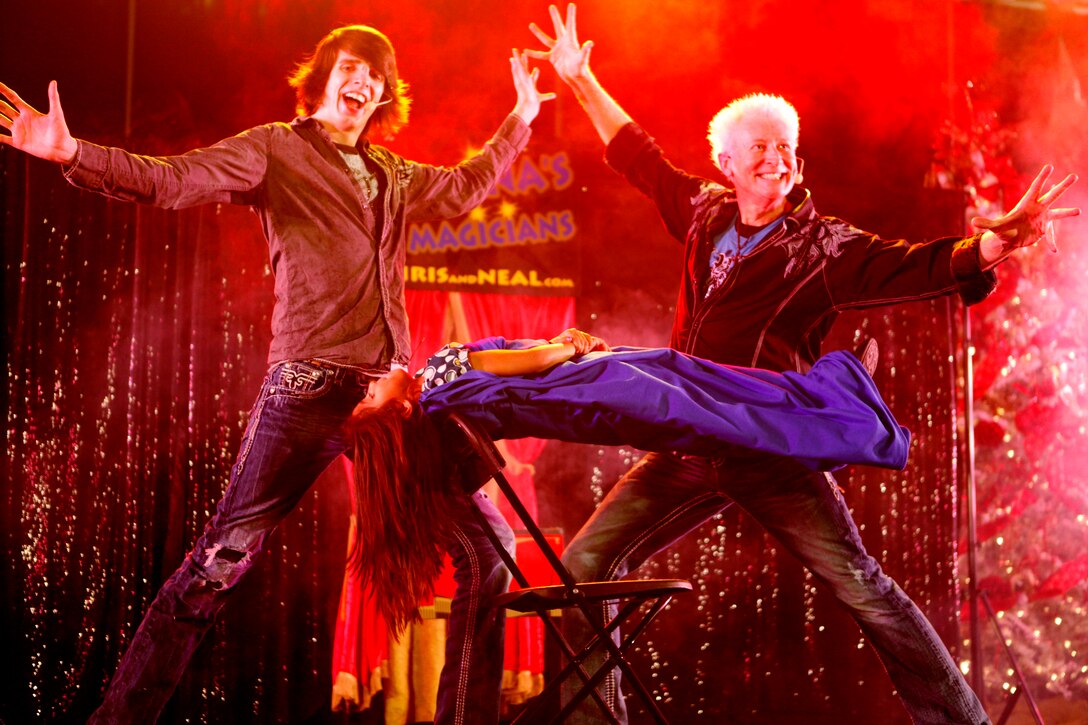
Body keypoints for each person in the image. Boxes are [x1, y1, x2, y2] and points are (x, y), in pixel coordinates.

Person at [525, 4, 1079, 723]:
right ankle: (599, 719)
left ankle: (961, 719)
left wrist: (993, 245)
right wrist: (579, 80)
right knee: (584, 565)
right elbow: (637, 154)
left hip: (768, 447)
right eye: (758, 148)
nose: (776, 158)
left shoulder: (825, 247)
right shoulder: (702, 214)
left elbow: (913, 266)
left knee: (862, 584)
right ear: (727, 162)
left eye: (785, 148)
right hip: (689, 445)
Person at [0, 24, 554, 725]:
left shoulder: (392, 173)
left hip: (386, 400)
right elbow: (174, 180)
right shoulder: (276, 149)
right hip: (307, 389)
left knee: (491, 548)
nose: (367, 83)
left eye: (378, 78)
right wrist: (74, 153)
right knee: (218, 563)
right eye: (355, 68)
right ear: (323, 77)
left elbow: (463, 187)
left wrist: (522, 118)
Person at [346, 328, 911, 632]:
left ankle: (834, 403)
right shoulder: (440, 376)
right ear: (397, 413)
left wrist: (558, 348)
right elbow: (509, 364)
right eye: (371, 395)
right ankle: (842, 404)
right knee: (710, 399)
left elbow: (511, 375)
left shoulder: (442, 412)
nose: (373, 381)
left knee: (711, 405)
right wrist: (566, 347)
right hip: (592, 382)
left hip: (586, 401)